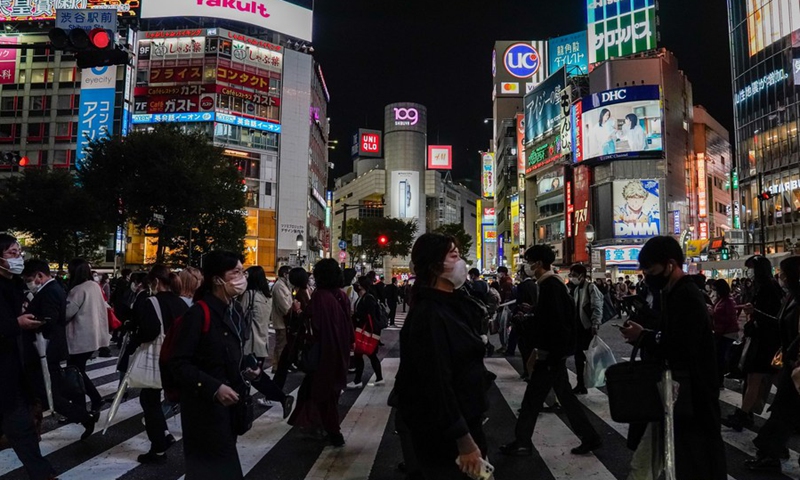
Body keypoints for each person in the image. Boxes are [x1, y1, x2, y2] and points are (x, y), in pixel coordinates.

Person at [620, 236, 726, 479]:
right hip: (678, 392)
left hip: (693, 393)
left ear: (670, 264)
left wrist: (644, 337)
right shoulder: (672, 292)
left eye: (651, 269)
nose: (647, 275)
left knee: (697, 460)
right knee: (676, 459)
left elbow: (681, 345)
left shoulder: (686, 295)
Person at [395, 233, 493, 479]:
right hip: (444, 433)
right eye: (454, 256)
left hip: (465, 419)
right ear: (436, 266)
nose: (461, 262)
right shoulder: (429, 315)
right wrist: (464, 440)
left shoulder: (453, 304)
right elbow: (437, 383)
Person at [500, 246, 601, 457]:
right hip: (554, 353)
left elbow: (558, 323)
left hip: (550, 355)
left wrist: (550, 352)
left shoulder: (550, 286)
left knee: (532, 400)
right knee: (562, 397)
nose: (526, 265)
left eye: (528, 261)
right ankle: (590, 438)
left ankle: (522, 442)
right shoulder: (551, 284)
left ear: (537, 263)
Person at [166, 251, 249, 479]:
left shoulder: (234, 310)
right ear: (216, 279)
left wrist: (249, 367)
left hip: (228, 408)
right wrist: (214, 388)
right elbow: (179, 363)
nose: (242, 277)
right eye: (235, 272)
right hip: (203, 411)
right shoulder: (198, 313)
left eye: (243, 271)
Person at [0, 236, 57, 480]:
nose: (18, 257)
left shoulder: (14, 284)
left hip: (12, 368)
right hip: (3, 370)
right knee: (20, 426)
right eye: (13, 253)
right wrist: (16, 324)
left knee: (20, 426)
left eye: (19, 252)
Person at [23, 259, 96, 440]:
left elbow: (50, 318)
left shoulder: (51, 291)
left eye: (30, 279)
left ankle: (85, 416)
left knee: (49, 394)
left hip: (46, 350)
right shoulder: (52, 289)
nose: (30, 283)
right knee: (45, 392)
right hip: (47, 350)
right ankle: (83, 416)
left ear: (40, 275)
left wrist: (28, 321)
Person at [288, 259, 353, 447]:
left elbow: (313, 327)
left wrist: (299, 313)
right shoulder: (341, 295)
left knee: (321, 393)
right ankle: (316, 425)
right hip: (339, 350)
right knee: (326, 393)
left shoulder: (320, 297)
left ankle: (331, 431)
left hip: (324, 353)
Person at [745, 256, 800, 472]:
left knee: (782, 411)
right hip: (789, 360)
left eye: (784, 274)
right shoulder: (790, 297)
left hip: (795, 362)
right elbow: (779, 323)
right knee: (782, 411)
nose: (781, 277)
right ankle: (772, 451)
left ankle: (770, 453)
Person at [131, 265, 186, 464]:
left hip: (158, 358)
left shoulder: (151, 302)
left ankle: (159, 447)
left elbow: (150, 331)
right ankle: (164, 434)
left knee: (149, 400)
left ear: (155, 282)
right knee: (168, 398)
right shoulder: (181, 302)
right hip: (177, 358)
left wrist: (135, 338)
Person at [724, 255, 783, 431]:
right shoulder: (762, 287)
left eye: (752, 268)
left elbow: (774, 318)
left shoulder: (769, 288)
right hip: (761, 340)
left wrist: (754, 312)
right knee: (757, 378)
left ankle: (744, 415)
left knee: (757, 378)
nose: (749, 272)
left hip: (766, 342)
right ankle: (745, 414)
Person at [65, 259, 110, 418]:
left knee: (76, 372)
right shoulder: (94, 286)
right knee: (78, 371)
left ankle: (89, 403)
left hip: (79, 337)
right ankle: (83, 406)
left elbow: (67, 313)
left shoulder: (78, 290)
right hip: (93, 336)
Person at [569, 264, 603, 395]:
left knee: (588, 356)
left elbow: (597, 306)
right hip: (578, 327)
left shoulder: (591, 287)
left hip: (587, 328)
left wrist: (595, 324)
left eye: (574, 275)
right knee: (578, 356)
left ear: (581, 276)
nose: (572, 277)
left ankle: (591, 381)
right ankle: (580, 384)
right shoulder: (577, 289)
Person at [273, 268, 309, 388]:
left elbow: (297, 314)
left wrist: (295, 311)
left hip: (297, 334)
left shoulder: (300, 293)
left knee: (283, 363)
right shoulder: (303, 291)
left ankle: (273, 395)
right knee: (284, 363)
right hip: (298, 335)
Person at [347, 276, 384, 389]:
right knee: (368, 355)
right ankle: (377, 378)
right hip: (363, 330)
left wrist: (356, 316)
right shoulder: (361, 297)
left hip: (366, 331)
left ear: (362, 285)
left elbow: (369, 315)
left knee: (366, 355)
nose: (356, 285)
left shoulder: (368, 298)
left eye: (358, 283)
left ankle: (359, 380)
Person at [709, 279, 740, 387]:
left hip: (727, 333)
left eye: (715, 289)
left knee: (721, 357)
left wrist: (714, 314)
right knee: (719, 357)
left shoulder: (728, 301)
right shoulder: (721, 300)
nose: (713, 291)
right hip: (721, 332)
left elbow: (728, 318)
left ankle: (719, 381)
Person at [241, 266, 272, 365]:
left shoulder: (249, 295)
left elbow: (239, 314)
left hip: (250, 342)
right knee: (257, 372)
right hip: (263, 342)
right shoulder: (267, 297)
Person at [271, 266, 294, 371]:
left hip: (283, 320)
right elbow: (284, 306)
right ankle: (279, 366)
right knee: (281, 344)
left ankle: (278, 365)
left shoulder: (284, 285)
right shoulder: (279, 286)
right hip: (281, 320)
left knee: (282, 344)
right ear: (285, 274)